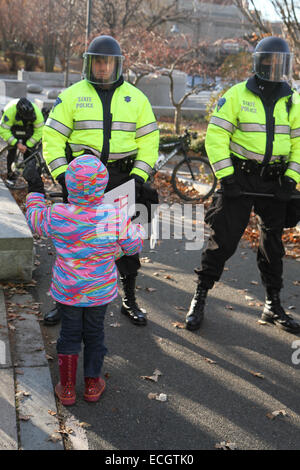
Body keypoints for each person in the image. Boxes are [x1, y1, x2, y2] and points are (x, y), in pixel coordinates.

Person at [185, 36, 300, 334]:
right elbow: (216, 137)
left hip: (275, 181)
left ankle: (273, 304)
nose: (274, 67)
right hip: (239, 177)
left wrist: (291, 178)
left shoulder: (293, 100)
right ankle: (200, 295)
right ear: (258, 61)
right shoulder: (236, 95)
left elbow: (299, 143)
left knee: (273, 244)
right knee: (222, 240)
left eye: (280, 62)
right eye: (268, 61)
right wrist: (227, 177)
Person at [42, 35, 159, 327]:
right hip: (83, 180)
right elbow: (52, 137)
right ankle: (64, 301)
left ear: (117, 64)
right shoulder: (71, 96)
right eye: (97, 61)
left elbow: (149, 140)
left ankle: (128, 299)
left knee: (125, 241)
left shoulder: (136, 98)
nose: (102, 67)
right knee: (76, 243)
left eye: (107, 62)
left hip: (123, 178)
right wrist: (62, 176)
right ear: (88, 63)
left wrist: (139, 176)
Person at [24, 154, 145, 405]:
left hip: (68, 290)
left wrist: (35, 190)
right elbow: (133, 244)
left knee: (68, 334)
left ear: (69, 184)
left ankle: (67, 388)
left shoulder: (58, 214)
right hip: (99, 291)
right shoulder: (113, 215)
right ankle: (92, 383)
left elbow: (34, 219)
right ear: (103, 184)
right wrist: (123, 244)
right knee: (94, 334)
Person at [0, 97, 44, 188]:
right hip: (14, 127)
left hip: (28, 128)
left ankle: (30, 179)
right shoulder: (10, 112)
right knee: (12, 151)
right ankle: (11, 176)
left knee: (29, 153)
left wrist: (28, 145)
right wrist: (17, 143)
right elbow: (3, 130)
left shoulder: (37, 114)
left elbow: (40, 131)